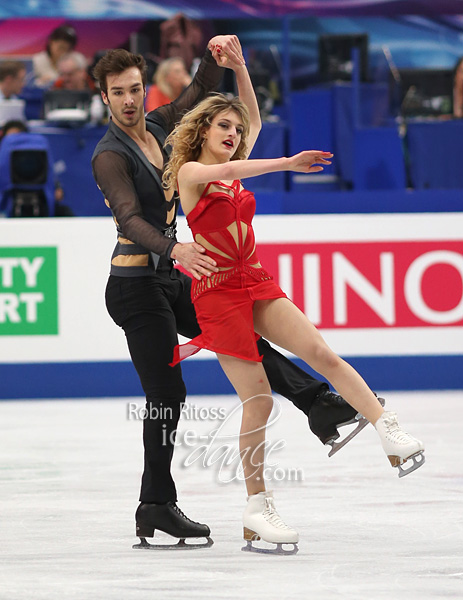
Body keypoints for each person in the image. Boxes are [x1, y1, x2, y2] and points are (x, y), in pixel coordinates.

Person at [91, 39, 376, 550]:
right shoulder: (109, 156)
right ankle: (155, 504)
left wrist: (214, 55)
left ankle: (320, 404)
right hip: (136, 287)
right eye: (119, 93)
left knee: (244, 341)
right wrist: (173, 247)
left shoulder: (160, 125)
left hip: (178, 275)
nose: (130, 99)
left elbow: (202, 94)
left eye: (135, 88)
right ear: (105, 98)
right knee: (167, 397)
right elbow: (130, 217)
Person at [164, 49, 425, 552]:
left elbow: (255, 119)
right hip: (216, 295)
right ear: (203, 130)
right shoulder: (192, 173)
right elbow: (242, 164)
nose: (233, 133)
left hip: (253, 279)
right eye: (223, 125)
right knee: (258, 399)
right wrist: (286, 162)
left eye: (236, 130)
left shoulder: (235, 164)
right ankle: (257, 508)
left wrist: (240, 67)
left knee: (321, 352)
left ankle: (386, 429)